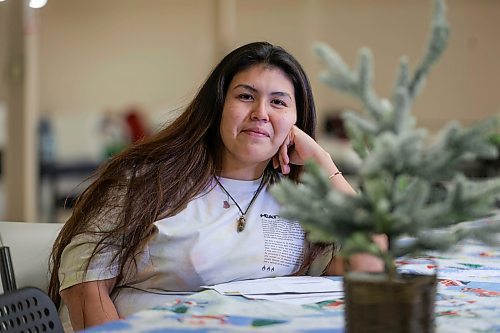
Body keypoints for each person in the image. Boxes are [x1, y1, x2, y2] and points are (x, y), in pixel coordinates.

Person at [48, 41, 384, 331]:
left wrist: (323, 163)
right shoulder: (146, 181)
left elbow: (371, 266)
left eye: (279, 102)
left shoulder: (302, 200)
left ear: (296, 122)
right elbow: (84, 282)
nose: (261, 113)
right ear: (218, 106)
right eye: (245, 96)